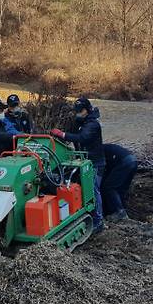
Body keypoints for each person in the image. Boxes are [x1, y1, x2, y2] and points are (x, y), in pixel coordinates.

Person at [50, 97, 106, 234]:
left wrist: (62, 134)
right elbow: (73, 134)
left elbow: (82, 138)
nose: (77, 113)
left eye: (79, 111)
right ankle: (85, 213)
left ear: (86, 110)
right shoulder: (79, 122)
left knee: (93, 190)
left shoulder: (93, 125)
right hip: (82, 161)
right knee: (83, 190)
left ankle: (98, 221)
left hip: (95, 163)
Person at [101, 143, 137, 221]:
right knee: (121, 189)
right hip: (133, 161)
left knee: (109, 187)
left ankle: (119, 212)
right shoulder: (105, 148)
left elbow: (104, 168)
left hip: (125, 163)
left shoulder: (97, 151)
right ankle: (122, 209)